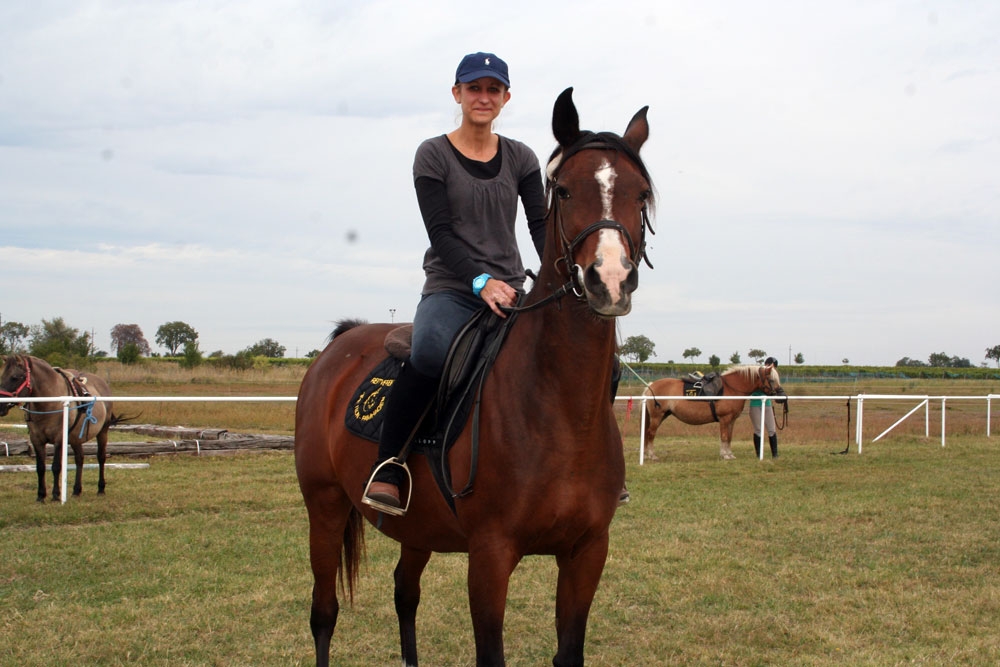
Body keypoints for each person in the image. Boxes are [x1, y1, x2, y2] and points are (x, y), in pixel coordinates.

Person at [363, 52, 548, 513]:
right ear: (457, 94)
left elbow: (541, 225)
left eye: (492, 89)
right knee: (428, 351)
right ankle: (390, 464)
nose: (483, 97)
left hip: (510, 290)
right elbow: (440, 233)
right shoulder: (433, 153)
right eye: (474, 89)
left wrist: (568, 277)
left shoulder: (523, 157)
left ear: (506, 98)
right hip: (452, 286)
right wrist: (479, 280)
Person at [749, 356, 786, 458]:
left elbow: (776, 387)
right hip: (755, 404)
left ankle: (775, 454)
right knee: (758, 430)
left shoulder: (771, 376)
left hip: (767, 404)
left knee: (772, 429)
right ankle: (759, 455)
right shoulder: (758, 373)